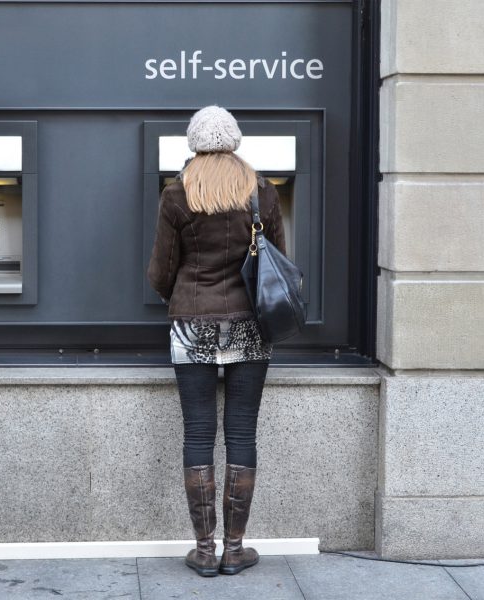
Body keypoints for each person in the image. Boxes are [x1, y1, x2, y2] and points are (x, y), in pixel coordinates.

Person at [147, 105, 287, 577]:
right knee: (242, 432)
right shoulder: (261, 191)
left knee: (199, 433)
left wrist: (182, 297)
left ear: (194, 142)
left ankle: (204, 550)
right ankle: (236, 548)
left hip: (191, 323)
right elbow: (278, 263)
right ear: (234, 140)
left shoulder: (177, 193)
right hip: (250, 322)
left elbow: (160, 272)